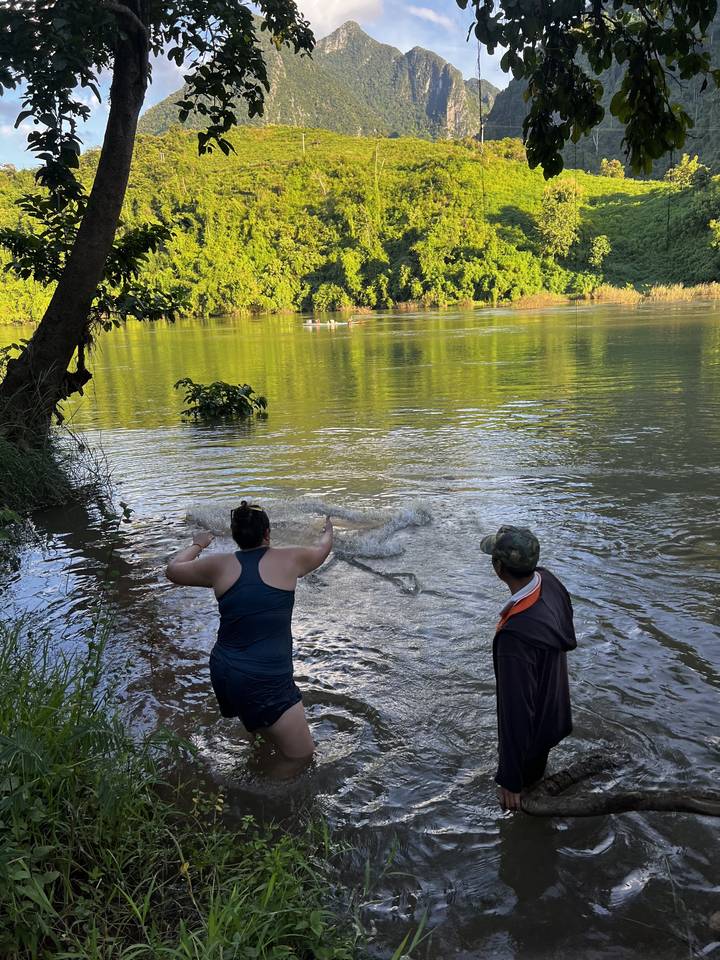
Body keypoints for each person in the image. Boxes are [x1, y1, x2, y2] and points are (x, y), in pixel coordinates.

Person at [166, 502, 334, 778]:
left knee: (261, 733)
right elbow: (322, 550)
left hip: (225, 671)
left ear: (236, 536)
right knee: (302, 757)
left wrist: (198, 544)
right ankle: (258, 801)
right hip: (265, 678)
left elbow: (173, 569)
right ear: (267, 534)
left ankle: (253, 767)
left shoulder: (219, 565)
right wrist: (328, 529)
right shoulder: (291, 558)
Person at [480, 525, 576, 812]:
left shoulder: (515, 636)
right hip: (554, 711)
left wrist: (509, 777)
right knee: (538, 778)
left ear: (499, 568)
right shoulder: (548, 582)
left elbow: (516, 708)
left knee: (523, 804)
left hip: (533, 732)